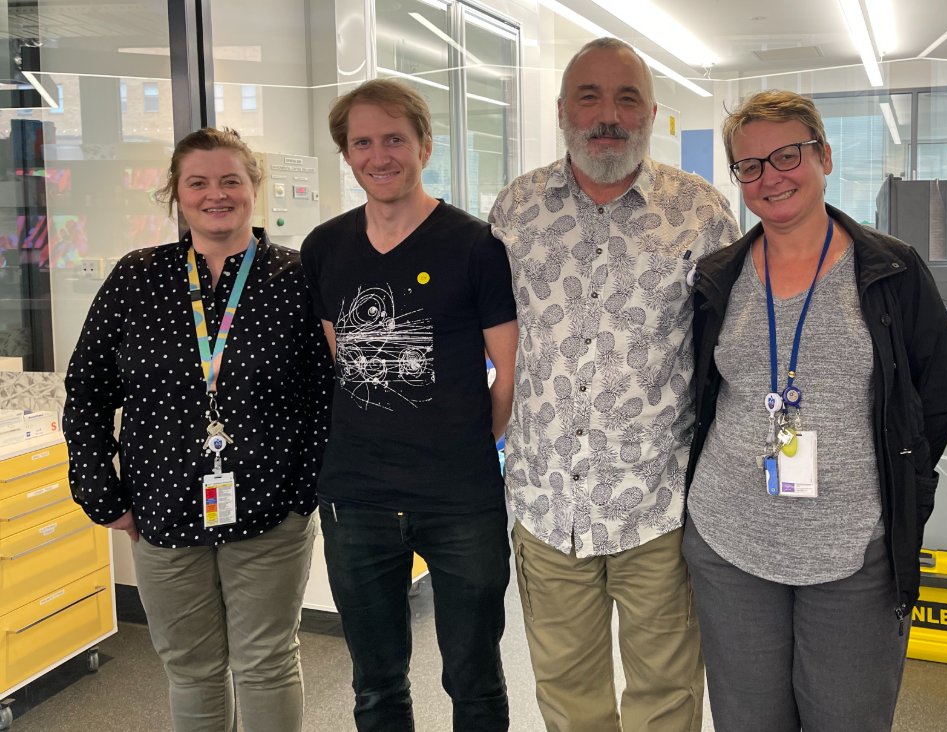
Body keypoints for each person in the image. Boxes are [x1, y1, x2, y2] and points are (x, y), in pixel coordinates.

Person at [683, 89, 947, 731]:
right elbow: (705, 393)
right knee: (748, 721)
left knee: (848, 718)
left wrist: (901, 489)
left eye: (787, 155)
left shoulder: (891, 269)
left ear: (825, 155)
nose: (769, 178)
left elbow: (938, 393)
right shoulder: (718, 277)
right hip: (731, 542)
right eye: (749, 166)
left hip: (854, 548)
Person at [489, 37, 740, 732]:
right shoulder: (516, 211)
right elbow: (487, 337)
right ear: (563, 110)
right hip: (546, 501)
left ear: (651, 113)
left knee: (667, 694)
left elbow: (732, 348)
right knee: (569, 697)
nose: (608, 115)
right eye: (590, 97)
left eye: (626, 98)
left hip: (658, 503)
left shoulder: (702, 211)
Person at [63, 127, 332, 732]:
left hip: (270, 508)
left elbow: (327, 394)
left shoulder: (295, 278)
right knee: (191, 668)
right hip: (160, 507)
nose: (217, 195)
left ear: (254, 188)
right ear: (176, 195)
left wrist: (303, 492)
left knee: (265, 662)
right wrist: (102, 494)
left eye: (231, 180)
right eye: (199, 183)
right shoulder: (137, 278)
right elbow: (86, 389)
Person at [301, 78, 517, 732]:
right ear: (346, 155)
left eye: (394, 138)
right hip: (356, 497)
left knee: (473, 677)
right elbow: (342, 361)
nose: (379, 154)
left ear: (424, 144)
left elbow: (509, 372)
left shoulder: (476, 245)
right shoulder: (325, 248)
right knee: (376, 683)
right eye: (362, 142)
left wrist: (471, 447)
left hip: (461, 499)